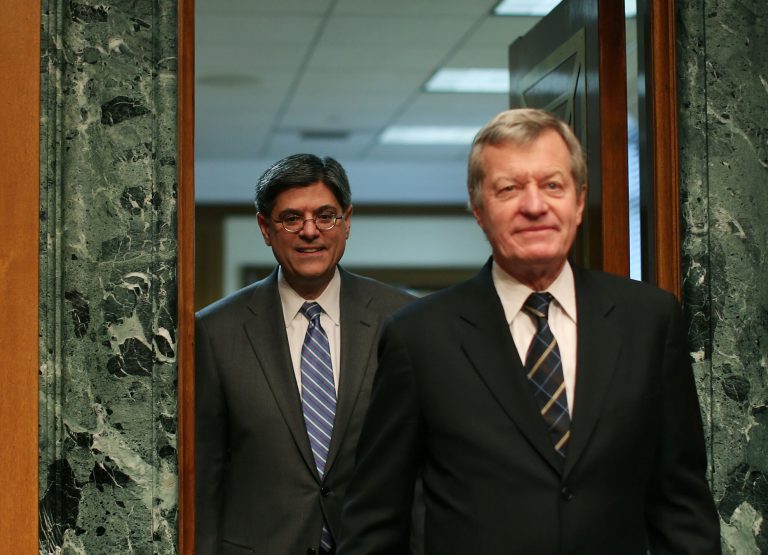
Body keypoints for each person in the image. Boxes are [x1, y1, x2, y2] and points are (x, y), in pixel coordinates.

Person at [337, 109, 721, 554]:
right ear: (478, 208)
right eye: (509, 189)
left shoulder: (649, 320)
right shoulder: (418, 337)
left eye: (552, 185)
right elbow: (374, 521)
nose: (534, 205)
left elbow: (683, 508)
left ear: (578, 201)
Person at [195, 153, 414, 555]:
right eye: (291, 218)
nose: (310, 231)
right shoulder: (214, 331)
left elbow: (423, 461)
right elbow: (204, 477)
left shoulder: (401, 319)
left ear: (347, 221)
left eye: (326, 216)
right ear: (265, 227)